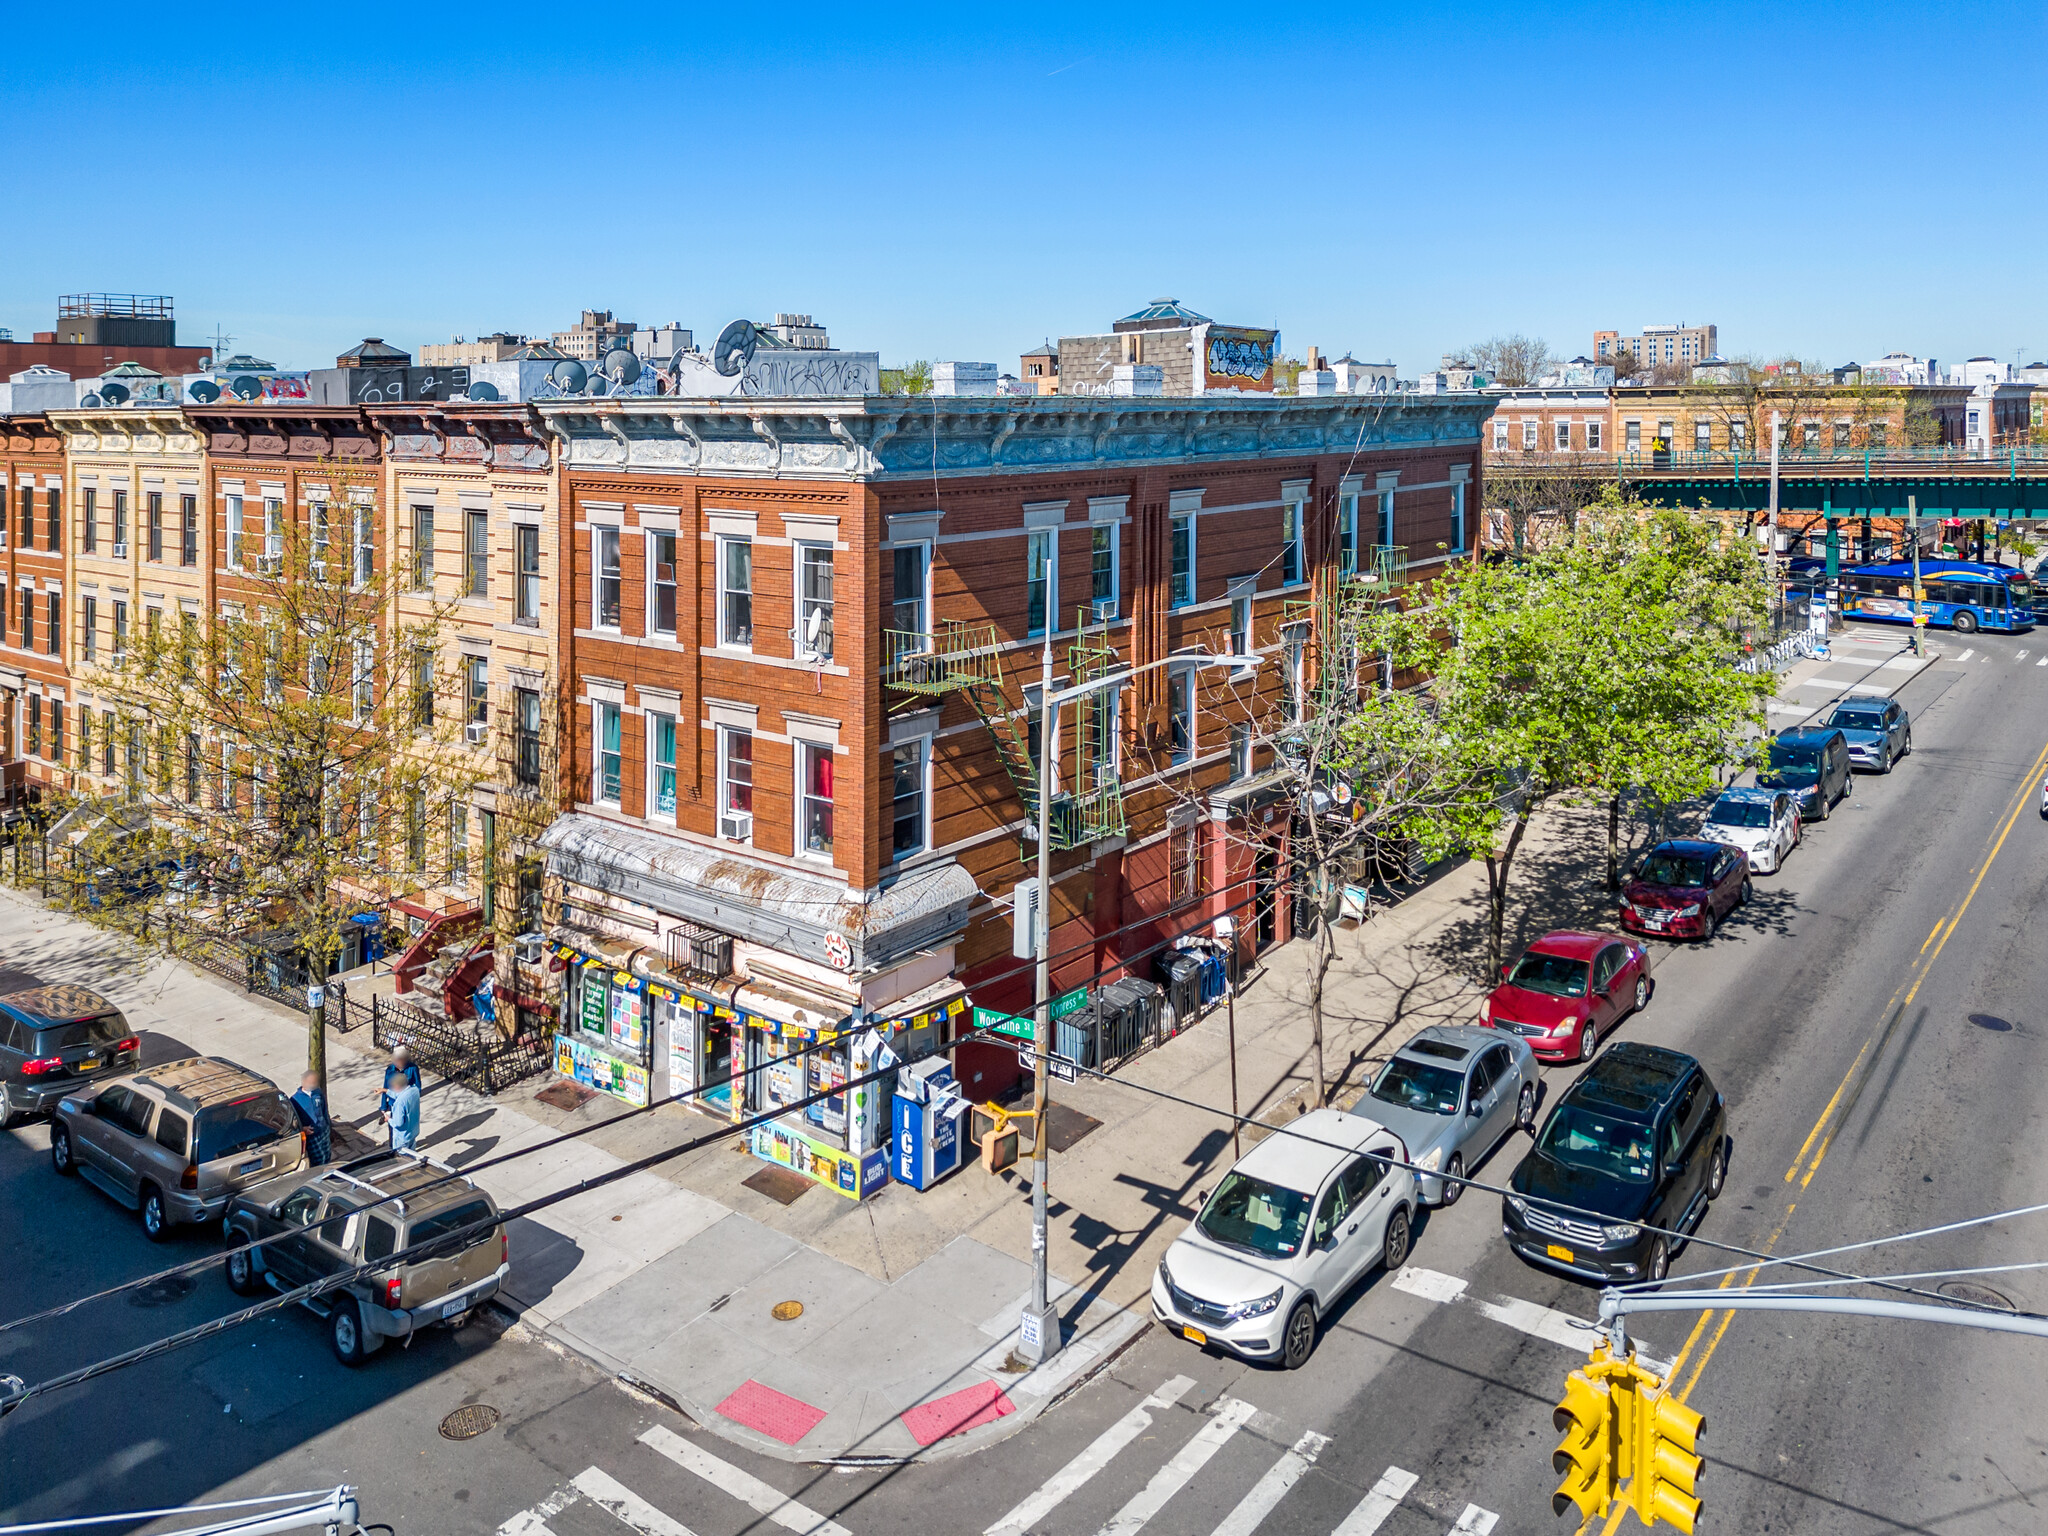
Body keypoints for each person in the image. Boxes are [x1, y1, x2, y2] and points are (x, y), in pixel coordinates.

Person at [289, 1072, 332, 1166]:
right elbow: (293, 1120)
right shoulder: (295, 1100)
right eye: (311, 1082)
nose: (314, 1085)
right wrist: (303, 1128)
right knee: (318, 1159)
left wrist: (327, 1124)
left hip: (323, 1130)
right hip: (312, 1134)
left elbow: (324, 1109)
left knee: (327, 1155)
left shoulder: (318, 1093)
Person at [380, 1045, 422, 1118]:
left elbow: (417, 1087)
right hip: (392, 1103)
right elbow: (386, 1086)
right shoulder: (390, 1069)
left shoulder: (413, 1068)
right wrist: (383, 1106)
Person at [386, 1076, 421, 1152]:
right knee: (412, 1156)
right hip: (413, 1132)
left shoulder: (400, 1102)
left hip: (402, 1137)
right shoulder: (415, 1090)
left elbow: (398, 1123)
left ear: (398, 1086)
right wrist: (385, 1091)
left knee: (402, 1159)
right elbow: (400, 1094)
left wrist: (388, 1119)